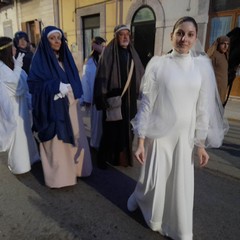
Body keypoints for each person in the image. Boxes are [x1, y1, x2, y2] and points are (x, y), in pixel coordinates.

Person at [127, 16, 229, 240]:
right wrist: (141, 140)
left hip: (184, 137)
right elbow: (146, 104)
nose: (184, 39)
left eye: (190, 34)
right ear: (172, 34)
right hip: (160, 135)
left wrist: (200, 144)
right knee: (154, 179)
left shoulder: (201, 67)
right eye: (180, 33)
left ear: (196, 38)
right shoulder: (158, 64)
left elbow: (202, 108)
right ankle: (141, 198)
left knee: (178, 183)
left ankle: (180, 229)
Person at [27, 26, 92, 188]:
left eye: (59, 38)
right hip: (53, 109)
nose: (57, 41)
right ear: (45, 40)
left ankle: (78, 169)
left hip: (71, 107)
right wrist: (55, 86)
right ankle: (60, 178)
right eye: (52, 38)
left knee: (75, 139)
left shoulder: (66, 58)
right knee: (58, 145)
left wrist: (76, 92)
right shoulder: (39, 60)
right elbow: (33, 86)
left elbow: (75, 80)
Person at [94, 24, 144, 168]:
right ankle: (104, 159)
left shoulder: (133, 53)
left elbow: (141, 74)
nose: (125, 37)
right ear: (116, 37)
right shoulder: (108, 53)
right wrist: (102, 97)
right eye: (122, 34)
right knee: (111, 131)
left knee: (128, 131)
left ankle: (122, 159)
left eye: (127, 34)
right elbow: (102, 77)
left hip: (130, 102)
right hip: (114, 101)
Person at [0, 37, 39, 174]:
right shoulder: (2, 69)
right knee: (18, 138)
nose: (16, 49)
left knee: (26, 133)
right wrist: (17, 68)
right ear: (6, 51)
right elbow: (18, 86)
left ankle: (31, 158)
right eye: (13, 47)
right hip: (14, 108)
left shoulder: (12, 64)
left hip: (21, 106)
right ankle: (20, 166)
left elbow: (25, 83)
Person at [81, 36, 106, 150]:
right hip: (95, 97)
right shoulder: (90, 62)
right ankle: (95, 143)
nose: (103, 47)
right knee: (96, 122)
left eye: (104, 45)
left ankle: (101, 142)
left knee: (103, 122)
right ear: (95, 46)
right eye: (101, 45)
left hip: (104, 96)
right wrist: (86, 98)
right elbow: (86, 81)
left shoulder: (106, 58)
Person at [207, 35, 230, 105]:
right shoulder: (214, 55)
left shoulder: (225, 55)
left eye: (227, 44)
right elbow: (207, 73)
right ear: (218, 44)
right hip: (214, 90)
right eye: (223, 44)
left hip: (222, 89)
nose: (226, 46)